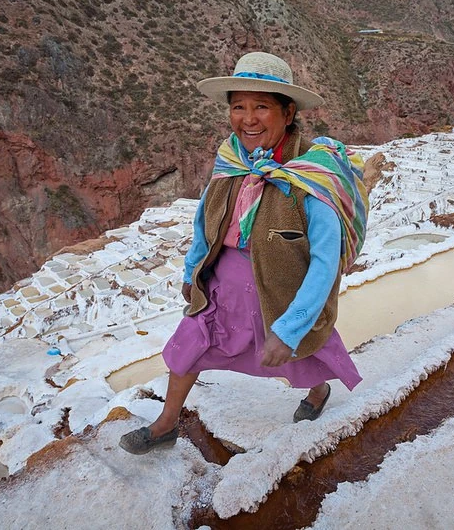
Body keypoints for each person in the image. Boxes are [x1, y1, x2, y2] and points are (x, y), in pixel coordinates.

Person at [120, 52, 376, 455]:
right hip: (222, 285)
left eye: (261, 106)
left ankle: (318, 390)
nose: (248, 118)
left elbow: (326, 264)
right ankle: (166, 424)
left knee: (297, 355)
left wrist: (290, 327)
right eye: (238, 106)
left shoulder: (313, 175)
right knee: (189, 344)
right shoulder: (232, 161)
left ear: (288, 112)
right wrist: (192, 272)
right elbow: (206, 221)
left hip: (283, 290)